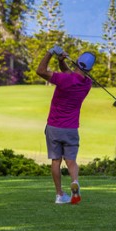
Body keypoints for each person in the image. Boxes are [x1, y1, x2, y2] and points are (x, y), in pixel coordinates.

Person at [36, 45, 95, 204]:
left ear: (76, 61)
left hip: (54, 126)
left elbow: (40, 71)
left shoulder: (64, 80)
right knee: (71, 161)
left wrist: (50, 52)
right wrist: (61, 61)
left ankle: (60, 195)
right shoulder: (87, 84)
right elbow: (70, 73)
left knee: (56, 161)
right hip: (71, 129)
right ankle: (75, 182)